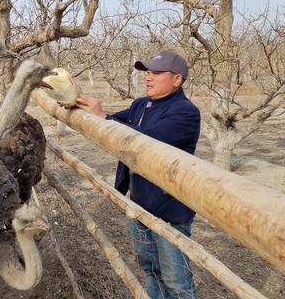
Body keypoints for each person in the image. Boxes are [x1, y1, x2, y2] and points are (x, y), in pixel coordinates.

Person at [76, 50, 200, 299]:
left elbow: (145, 142)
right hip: (141, 205)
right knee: (150, 270)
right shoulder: (140, 105)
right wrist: (87, 107)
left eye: (156, 73)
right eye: (147, 73)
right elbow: (112, 121)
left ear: (177, 80)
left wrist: (102, 117)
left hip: (169, 212)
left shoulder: (185, 112)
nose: (148, 78)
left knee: (176, 282)